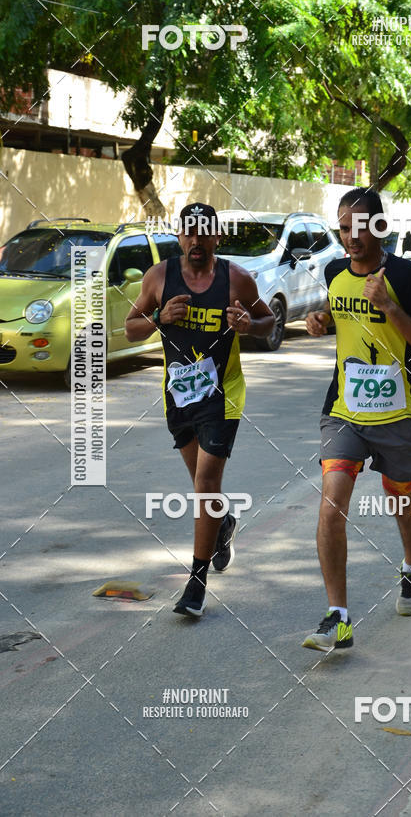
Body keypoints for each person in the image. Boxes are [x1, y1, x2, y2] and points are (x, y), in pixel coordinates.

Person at [302, 188, 411, 651]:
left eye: (361, 227)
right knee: (331, 503)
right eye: (344, 228)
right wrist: (321, 320)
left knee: (400, 504)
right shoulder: (334, 271)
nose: (352, 237)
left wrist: (389, 306)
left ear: (379, 227)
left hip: (398, 414)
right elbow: (342, 320)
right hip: (344, 411)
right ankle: (337, 618)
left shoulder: (406, 274)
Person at [125, 202, 274, 617]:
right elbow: (129, 327)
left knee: (206, 482)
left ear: (216, 237)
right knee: (202, 487)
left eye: (203, 232)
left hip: (222, 395)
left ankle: (196, 583)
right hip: (179, 396)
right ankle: (223, 522)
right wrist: (157, 317)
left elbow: (269, 322)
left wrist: (248, 325)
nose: (195, 240)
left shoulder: (236, 279)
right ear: (179, 236)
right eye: (188, 232)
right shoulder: (160, 277)